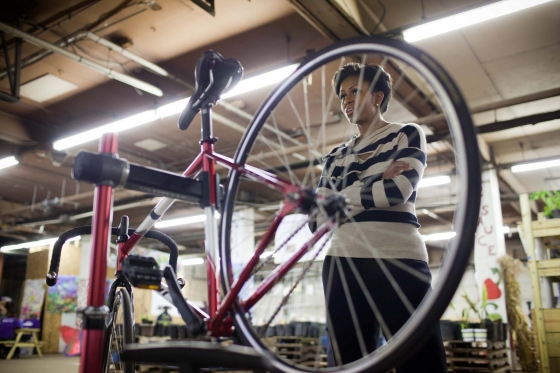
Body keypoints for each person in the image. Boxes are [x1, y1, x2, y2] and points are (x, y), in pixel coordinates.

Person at [315, 63, 447, 372]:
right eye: (342, 95)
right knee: (348, 364)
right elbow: (317, 217)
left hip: (398, 258)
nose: (346, 100)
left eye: (355, 92)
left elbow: (397, 191)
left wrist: (342, 198)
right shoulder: (335, 157)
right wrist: (371, 185)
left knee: (422, 361)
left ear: (377, 97)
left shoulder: (406, 134)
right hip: (341, 262)